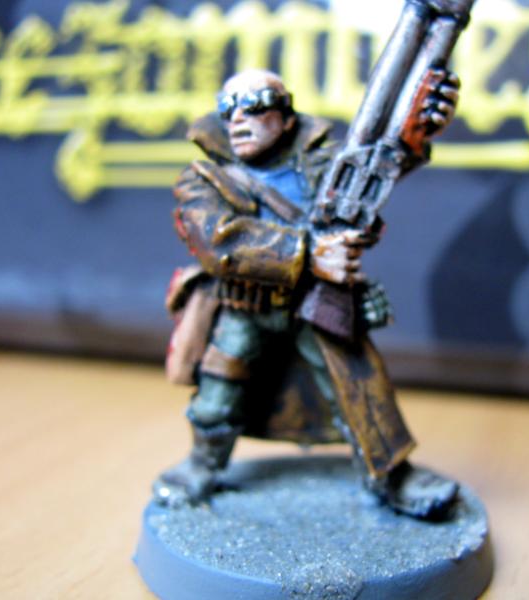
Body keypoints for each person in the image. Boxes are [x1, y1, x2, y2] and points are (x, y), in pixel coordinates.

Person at [155, 68, 460, 519]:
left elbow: (376, 167)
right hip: (243, 306)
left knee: (359, 384)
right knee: (219, 390)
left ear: (286, 118)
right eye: (227, 108)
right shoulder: (203, 179)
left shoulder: (324, 165)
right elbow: (216, 239)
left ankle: (391, 475)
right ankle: (202, 465)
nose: (237, 119)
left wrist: (416, 132)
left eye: (255, 105)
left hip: (313, 304)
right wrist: (308, 252)